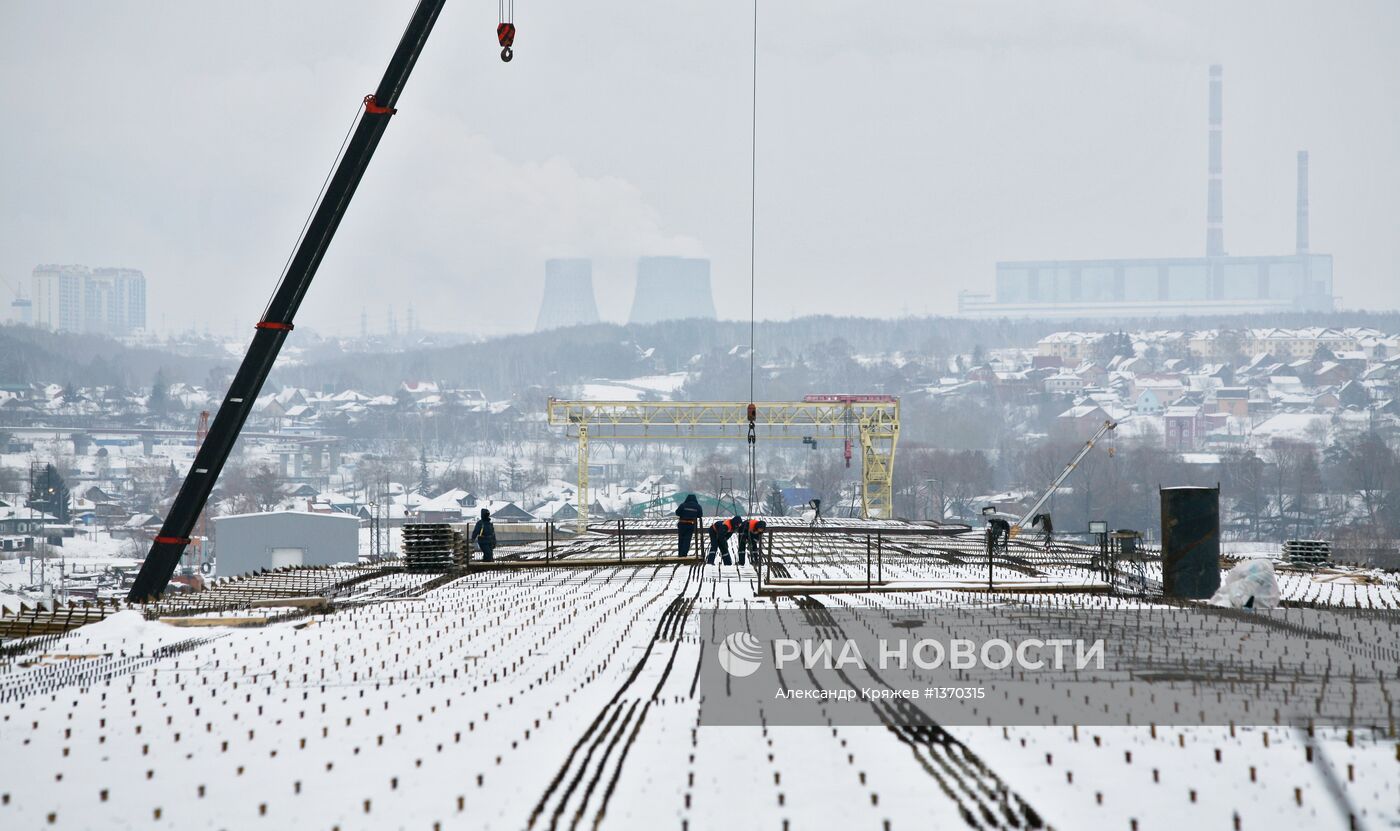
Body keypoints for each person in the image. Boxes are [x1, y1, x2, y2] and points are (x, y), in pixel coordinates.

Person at [674, 494, 703, 558]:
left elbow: (677, 513)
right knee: (687, 540)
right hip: (691, 525)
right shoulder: (698, 506)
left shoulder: (683, 505)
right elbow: (700, 515)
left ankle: (680, 555)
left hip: (682, 525)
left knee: (681, 540)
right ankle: (684, 555)